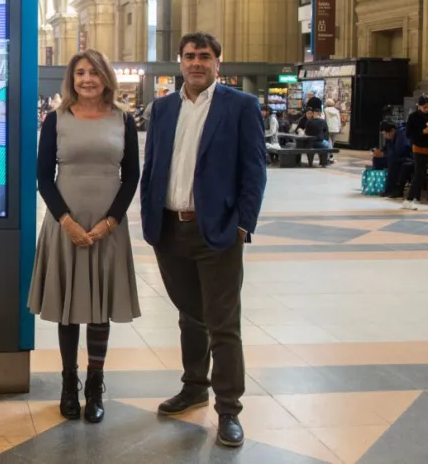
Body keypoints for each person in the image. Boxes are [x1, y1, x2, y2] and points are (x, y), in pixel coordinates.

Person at [139, 32, 267, 449]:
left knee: (223, 322)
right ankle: (194, 386)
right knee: (189, 316)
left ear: (218, 62)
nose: (197, 62)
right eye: (190, 56)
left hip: (218, 232)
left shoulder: (240, 106)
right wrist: (149, 219)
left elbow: (254, 171)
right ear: (179, 62)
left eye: (205, 56)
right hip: (170, 231)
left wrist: (242, 226)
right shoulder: (162, 109)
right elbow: (153, 165)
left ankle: (229, 409)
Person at [28, 49, 140, 424]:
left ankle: (95, 383)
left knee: (99, 308)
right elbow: (44, 176)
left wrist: (111, 222)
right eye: (80, 73)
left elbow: (132, 176)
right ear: (71, 80)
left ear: (106, 77)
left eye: (93, 72)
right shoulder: (55, 120)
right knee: (68, 306)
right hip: (66, 223)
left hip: (107, 225)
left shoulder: (123, 120)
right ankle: (67, 382)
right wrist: (67, 221)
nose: (87, 79)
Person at [376, 121, 413, 198]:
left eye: (385, 134)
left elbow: (401, 150)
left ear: (392, 131)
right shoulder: (391, 137)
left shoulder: (402, 134)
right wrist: (381, 153)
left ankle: (393, 190)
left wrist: (384, 154)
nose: (385, 136)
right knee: (377, 160)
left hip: (408, 158)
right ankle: (379, 185)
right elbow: (388, 149)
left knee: (393, 162)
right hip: (398, 157)